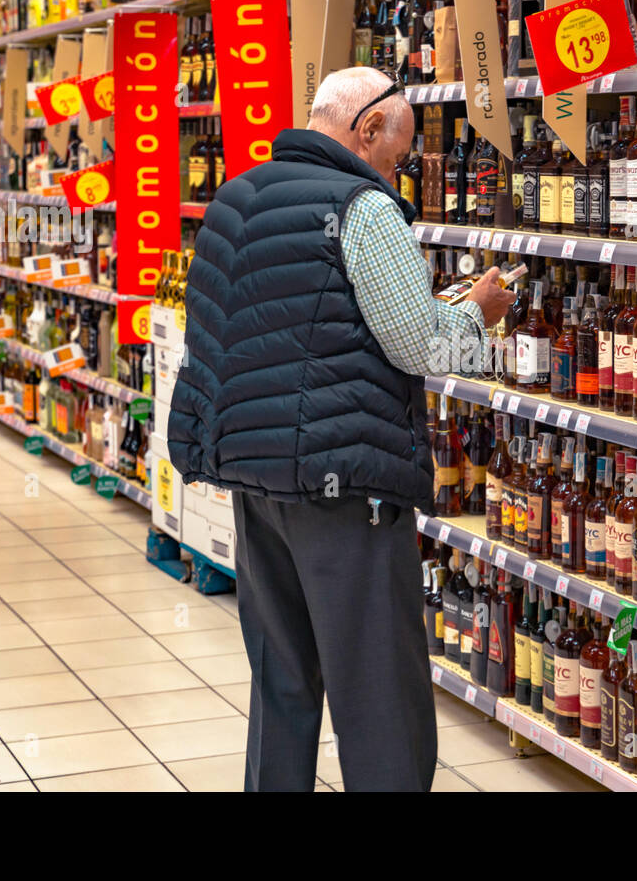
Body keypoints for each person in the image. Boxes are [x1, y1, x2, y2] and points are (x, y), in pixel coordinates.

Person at [168, 67, 512, 791]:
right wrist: (477, 313)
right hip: (345, 491)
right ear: (366, 131)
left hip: (254, 480)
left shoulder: (234, 199)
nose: (399, 170)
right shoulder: (362, 207)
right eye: (397, 154)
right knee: (380, 698)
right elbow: (419, 344)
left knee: (282, 684)